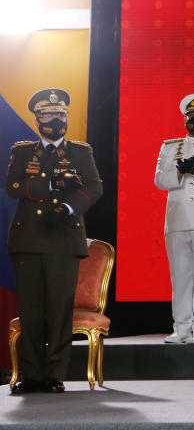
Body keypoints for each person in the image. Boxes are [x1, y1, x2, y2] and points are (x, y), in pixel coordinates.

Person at [7, 88, 103, 394]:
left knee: (60, 308)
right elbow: (13, 185)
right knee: (31, 310)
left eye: (61, 114)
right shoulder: (23, 151)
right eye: (49, 115)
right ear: (37, 119)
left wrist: (68, 207)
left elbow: (95, 187)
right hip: (30, 239)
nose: (56, 120)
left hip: (63, 238)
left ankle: (54, 374)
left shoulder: (80, 151)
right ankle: (31, 374)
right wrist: (51, 183)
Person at [154, 93, 194, 344]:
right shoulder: (171, 146)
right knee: (180, 275)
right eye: (191, 115)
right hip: (178, 219)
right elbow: (160, 180)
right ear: (185, 118)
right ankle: (181, 327)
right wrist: (180, 170)